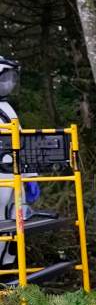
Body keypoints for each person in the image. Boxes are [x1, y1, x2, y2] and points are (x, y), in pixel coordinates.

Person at [0, 56, 36, 269]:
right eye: (5, 78)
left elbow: (22, 143)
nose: (9, 84)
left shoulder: (8, 109)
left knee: (16, 219)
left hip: (13, 175)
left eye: (11, 79)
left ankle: (10, 266)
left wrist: (30, 177)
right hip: (2, 177)